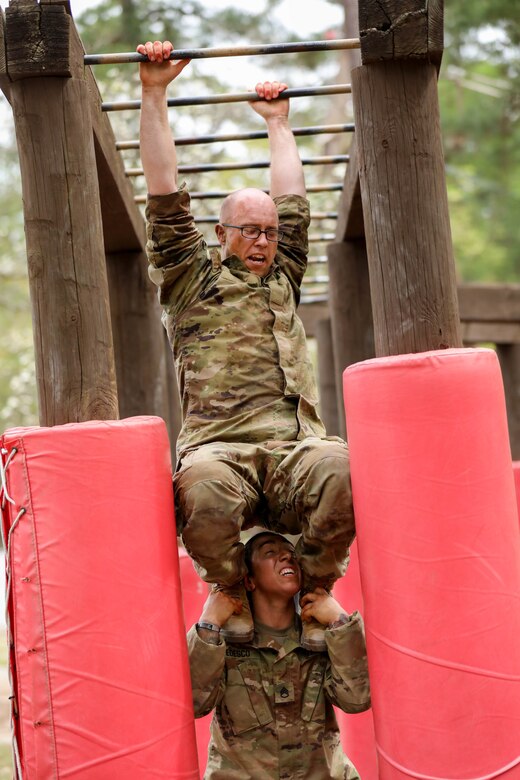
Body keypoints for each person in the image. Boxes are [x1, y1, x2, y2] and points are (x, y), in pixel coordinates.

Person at [138, 40, 355, 651]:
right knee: (199, 491)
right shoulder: (191, 278)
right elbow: (163, 195)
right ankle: (229, 590)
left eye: (268, 232)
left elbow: (293, 204)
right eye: (250, 231)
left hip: (293, 448)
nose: (263, 241)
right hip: (220, 447)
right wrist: (155, 92)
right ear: (221, 233)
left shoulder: (284, 276)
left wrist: (279, 123)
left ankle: (314, 589)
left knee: (341, 467)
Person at [188, 531, 370, 779]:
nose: (286, 556)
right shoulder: (221, 642)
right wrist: (209, 622)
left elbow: (357, 699)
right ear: (249, 580)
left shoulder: (321, 638)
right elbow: (194, 703)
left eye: (291, 553)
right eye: (270, 552)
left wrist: (339, 621)